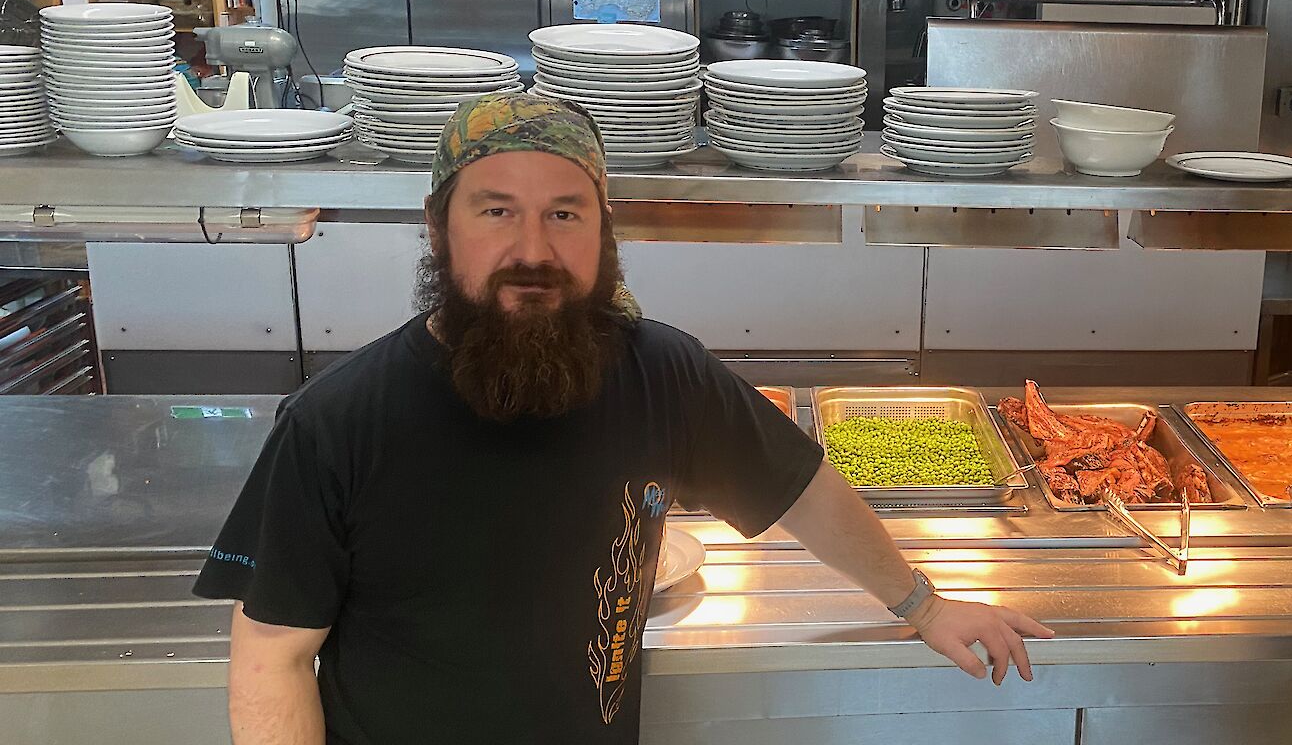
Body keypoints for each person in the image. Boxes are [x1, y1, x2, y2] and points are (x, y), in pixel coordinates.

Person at [193, 93, 1053, 745]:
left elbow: (801, 488)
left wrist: (924, 604)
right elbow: (271, 656)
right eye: (495, 210)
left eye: (565, 212)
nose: (532, 249)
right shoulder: (336, 423)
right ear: (435, 227)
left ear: (604, 229)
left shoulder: (660, 375)